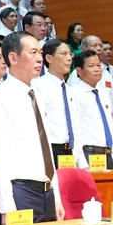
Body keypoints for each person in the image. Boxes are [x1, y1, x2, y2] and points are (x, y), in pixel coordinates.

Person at [0, 32, 63, 223]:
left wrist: (56, 197)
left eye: (40, 53)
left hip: (46, 192)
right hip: (20, 192)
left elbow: (46, 148)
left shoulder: (36, 95)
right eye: (33, 52)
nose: (39, 58)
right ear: (13, 58)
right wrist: (6, 207)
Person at [32, 38, 78, 169]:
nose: (69, 58)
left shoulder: (68, 88)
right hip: (50, 148)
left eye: (70, 54)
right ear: (49, 58)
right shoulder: (38, 85)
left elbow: (74, 123)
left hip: (69, 150)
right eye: (64, 54)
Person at [71, 51, 113, 169]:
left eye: (98, 65)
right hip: (89, 152)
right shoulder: (75, 92)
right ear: (79, 71)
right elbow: (74, 128)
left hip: (107, 153)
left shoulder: (103, 93)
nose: (97, 69)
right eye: (91, 66)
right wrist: (81, 161)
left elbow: (110, 124)